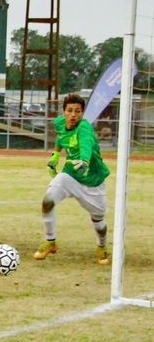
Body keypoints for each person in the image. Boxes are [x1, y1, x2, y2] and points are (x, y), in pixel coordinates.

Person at [37, 94, 111, 265]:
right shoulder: (60, 123)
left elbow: (86, 144)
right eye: (69, 110)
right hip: (70, 175)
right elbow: (61, 136)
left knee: (98, 221)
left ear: (82, 113)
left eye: (77, 111)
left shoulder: (84, 128)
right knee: (47, 201)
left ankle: (101, 246)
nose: (73, 115)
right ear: (63, 112)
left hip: (93, 181)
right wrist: (55, 155)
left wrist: (84, 161)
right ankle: (50, 242)